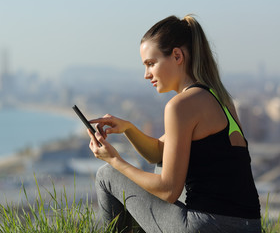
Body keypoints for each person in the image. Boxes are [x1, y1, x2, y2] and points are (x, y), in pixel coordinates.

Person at [86, 14, 261, 233]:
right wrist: (129, 128)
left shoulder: (180, 106)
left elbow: (169, 190)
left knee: (106, 175)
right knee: (162, 163)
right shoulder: (221, 99)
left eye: (151, 63)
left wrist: (115, 160)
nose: (146, 74)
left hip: (206, 226)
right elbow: (159, 152)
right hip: (249, 227)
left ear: (177, 55)